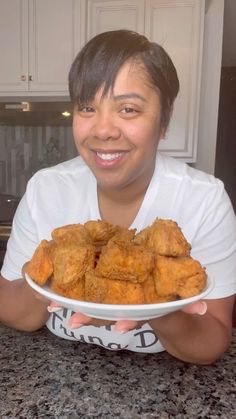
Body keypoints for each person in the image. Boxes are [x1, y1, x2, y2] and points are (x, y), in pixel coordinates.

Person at [0, 30, 235, 364]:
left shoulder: (204, 200)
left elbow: (211, 343)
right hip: (61, 369)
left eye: (127, 109)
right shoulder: (46, 188)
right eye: (87, 107)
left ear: (164, 121)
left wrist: (159, 308)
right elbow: (10, 309)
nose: (103, 129)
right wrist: (46, 279)